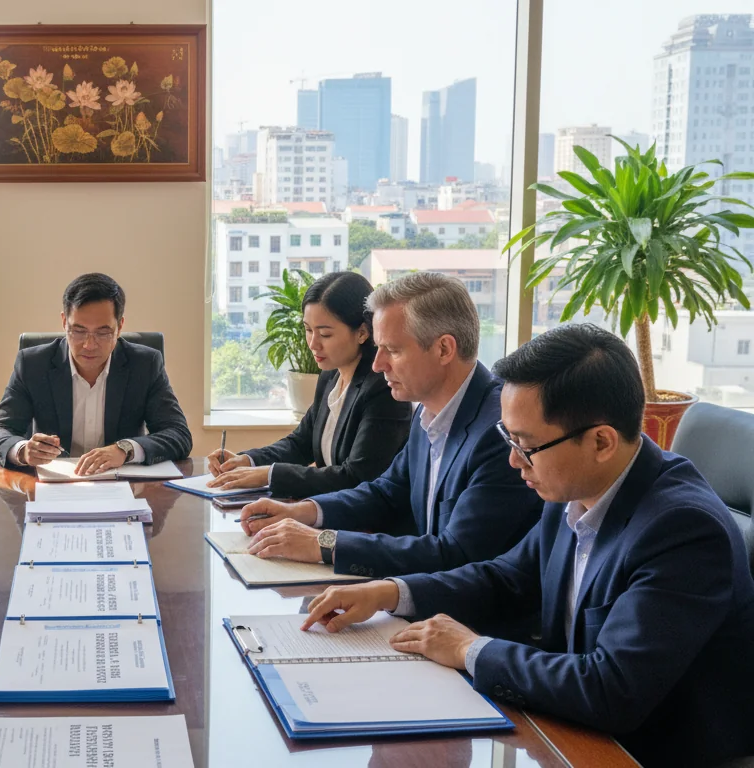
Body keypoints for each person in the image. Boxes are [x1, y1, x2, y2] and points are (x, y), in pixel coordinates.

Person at [299, 323, 754, 767]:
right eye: (507, 437)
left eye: (525, 444)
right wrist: (391, 592)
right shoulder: (575, 484)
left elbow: (612, 689)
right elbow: (507, 577)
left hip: (641, 751)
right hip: (568, 727)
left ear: (601, 441)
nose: (514, 460)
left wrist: (468, 649)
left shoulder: (683, 530)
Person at [240, 272, 541, 580]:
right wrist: (302, 511)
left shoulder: (500, 432)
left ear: (444, 349)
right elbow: (386, 492)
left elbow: (455, 553)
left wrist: (325, 543)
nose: (377, 364)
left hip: (470, 619)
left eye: (393, 350)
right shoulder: (429, 410)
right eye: (379, 347)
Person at [205, 271, 410, 497]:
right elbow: (301, 442)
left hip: (369, 524)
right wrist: (247, 461)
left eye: (325, 334)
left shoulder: (383, 388)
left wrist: (269, 475)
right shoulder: (330, 376)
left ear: (362, 332)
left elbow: (357, 476)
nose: (313, 344)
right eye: (308, 330)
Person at [0, 272, 192, 474]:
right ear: (64, 322)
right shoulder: (33, 364)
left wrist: (125, 450)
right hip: (55, 486)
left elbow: (178, 434)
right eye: (79, 331)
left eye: (103, 332)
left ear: (119, 326)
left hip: (124, 487)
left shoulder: (145, 365)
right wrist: (22, 450)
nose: (89, 345)